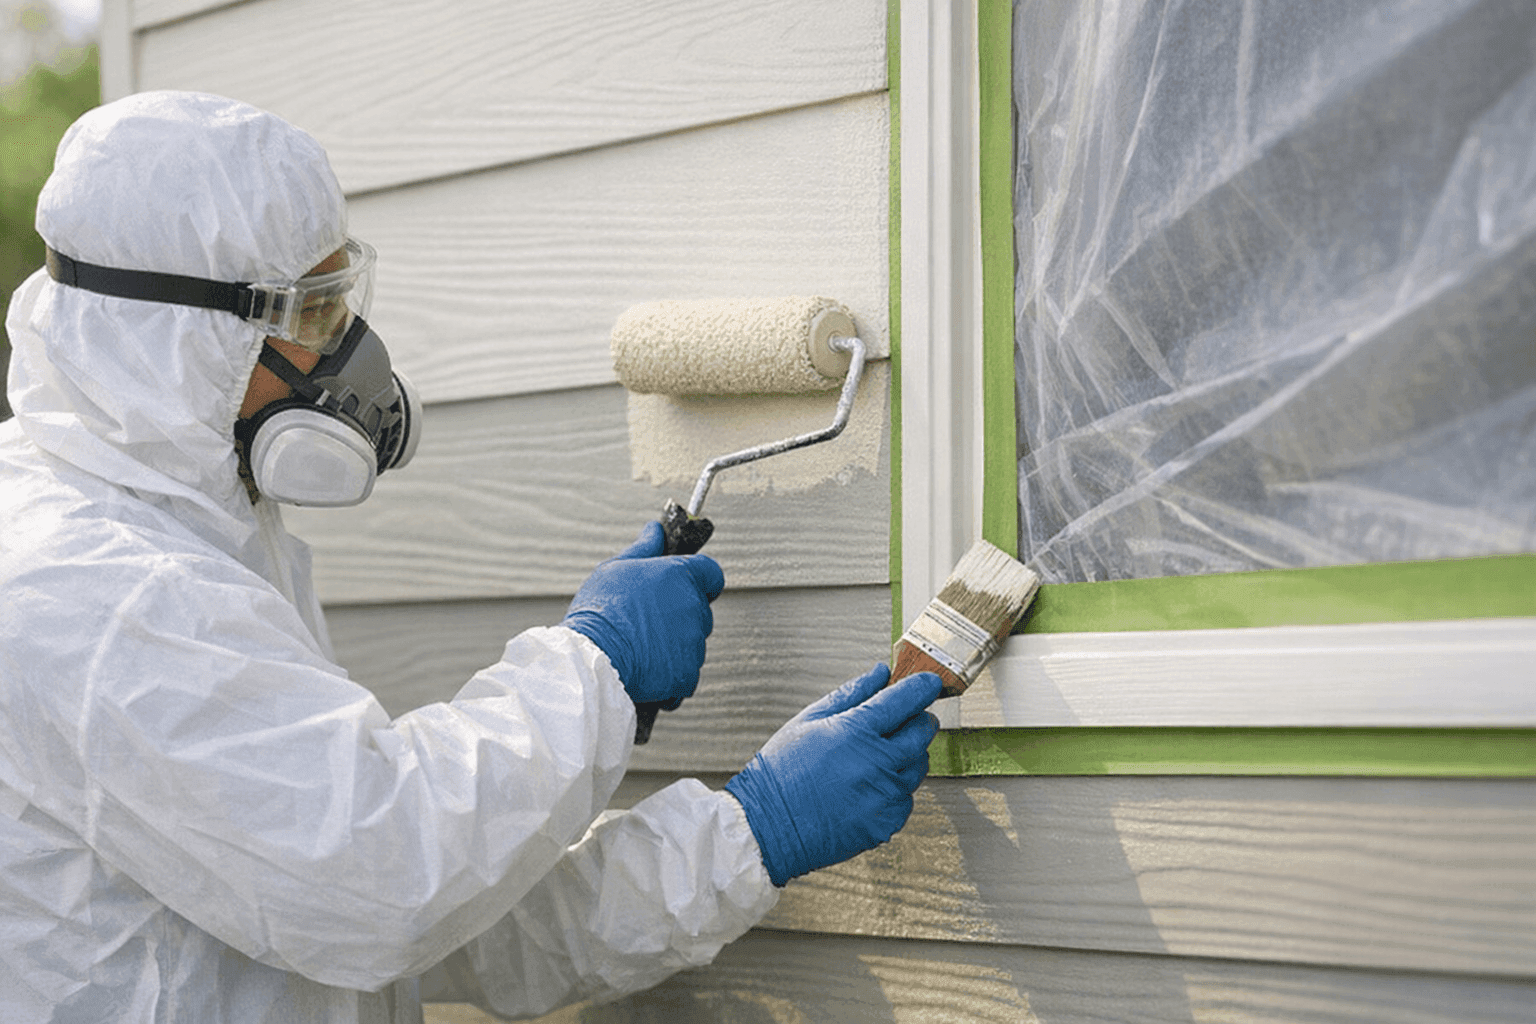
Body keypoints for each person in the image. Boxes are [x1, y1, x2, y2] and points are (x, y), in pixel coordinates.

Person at [0, 90, 941, 1022]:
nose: (349, 357)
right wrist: (594, 669)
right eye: (313, 318)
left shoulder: (201, 532)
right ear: (182, 339)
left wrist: (746, 835)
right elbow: (383, 878)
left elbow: (447, 923)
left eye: (342, 303)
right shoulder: (90, 589)